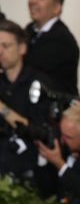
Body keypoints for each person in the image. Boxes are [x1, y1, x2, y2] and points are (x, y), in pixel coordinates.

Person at [0, 18, 49, 179]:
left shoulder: (39, 84)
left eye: (5, 46)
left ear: (22, 48)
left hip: (28, 172)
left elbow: (40, 133)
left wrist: (3, 109)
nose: (0, 51)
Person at [24, 0, 79, 95]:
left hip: (56, 103)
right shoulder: (29, 30)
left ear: (57, 7)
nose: (33, 1)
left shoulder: (62, 39)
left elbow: (30, 69)